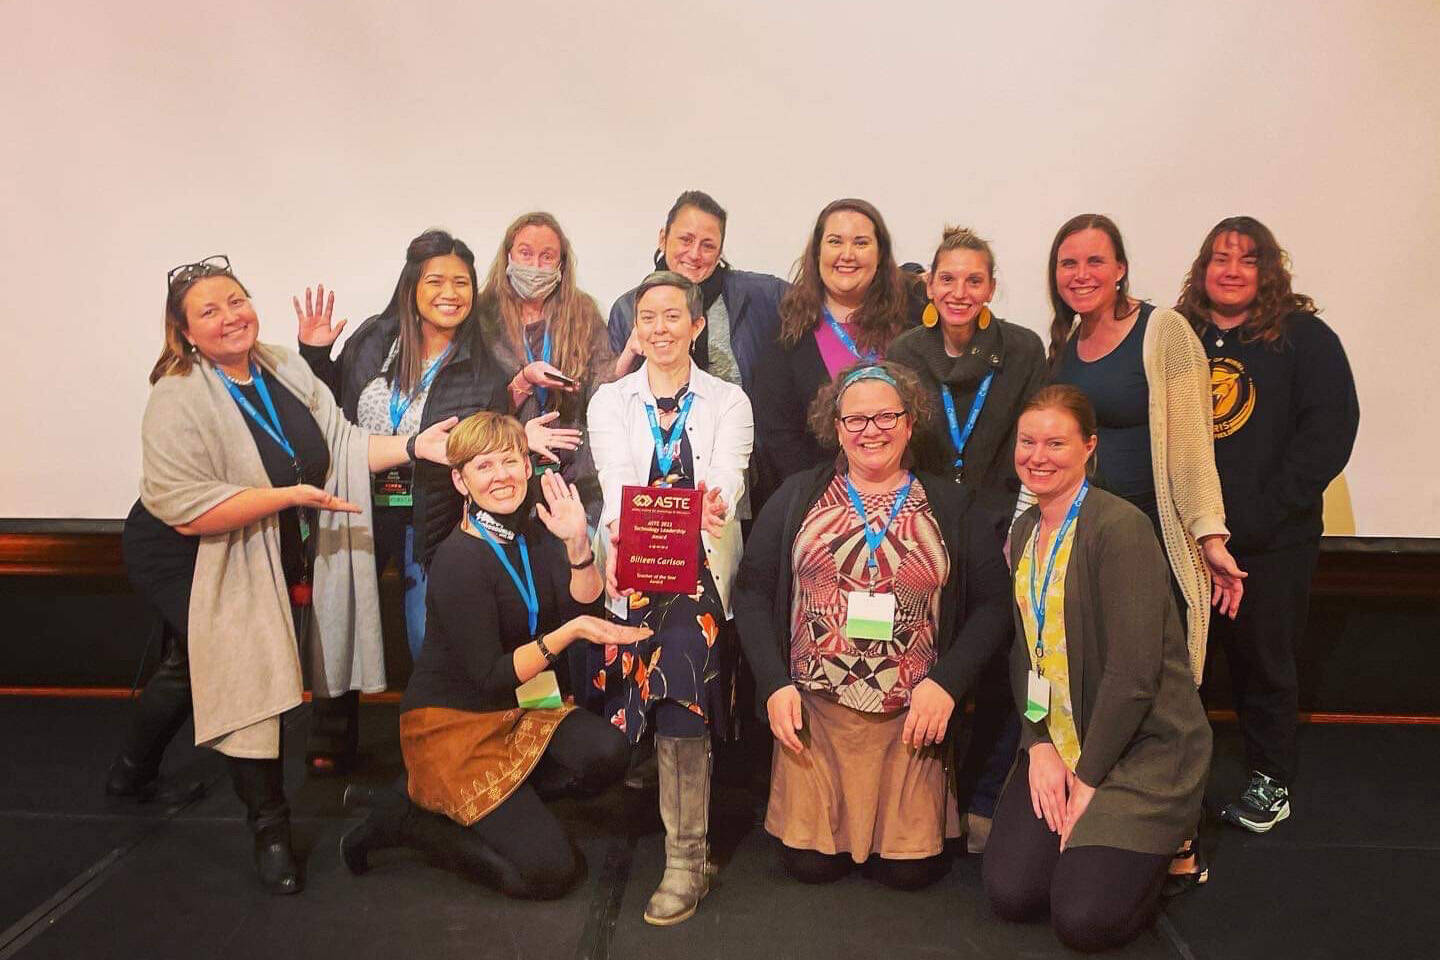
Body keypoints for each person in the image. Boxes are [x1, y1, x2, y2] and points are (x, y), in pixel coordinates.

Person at [112, 255, 456, 894]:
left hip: (262, 535)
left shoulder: (280, 365)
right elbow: (188, 510)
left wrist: (416, 447)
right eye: (208, 311)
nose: (229, 317)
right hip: (187, 547)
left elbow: (345, 443)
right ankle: (269, 828)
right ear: (184, 332)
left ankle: (130, 774)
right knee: (243, 663)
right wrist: (292, 498)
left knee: (191, 665)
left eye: (236, 301)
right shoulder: (177, 393)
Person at [339, 412, 648, 898]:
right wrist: (567, 635)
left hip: (523, 706)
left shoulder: (537, 531)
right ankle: (410, 823)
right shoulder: (458, 559)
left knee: (607, 753)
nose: (501, 475)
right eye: (484, 467)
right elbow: (489, 677)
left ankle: (479, 800)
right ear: (460, 481)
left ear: (528, 467)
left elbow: (580, 603)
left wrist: (577, 546)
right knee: (551, 874)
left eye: (510, 461)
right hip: (453, 723)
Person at [734, 361, 1012, 891]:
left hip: (912, 724)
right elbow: (749, 593)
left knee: (910, 874)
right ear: (836, 428)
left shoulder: (952, 505)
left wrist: (948, 683)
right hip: (814, 720)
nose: (871, 431)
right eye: (855, 420)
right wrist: (772, 684)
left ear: (910, 423)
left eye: (886, 416)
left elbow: (993, 606)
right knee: (811, 868)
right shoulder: (797, 497)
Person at [983, 386, 1213, 952]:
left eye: (1056, 443)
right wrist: (1038, 743)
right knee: (1012, 894)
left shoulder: (1120, 527)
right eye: (1028, 442)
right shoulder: (1023, 530)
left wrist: (1086, 782)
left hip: (1136, 749)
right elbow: (1024, 649)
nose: (1038, 456)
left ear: (1089, 447)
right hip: (1059, 736)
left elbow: (1135, 677)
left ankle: (1175, 845)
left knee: (1084, 921)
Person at [1175, 216, 1358, 834]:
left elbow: (1327, 436)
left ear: (1269, 271)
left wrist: (1257, 518)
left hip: (1274, 543)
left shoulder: (1306, 338)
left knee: (1265, 663)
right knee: (1183, 667)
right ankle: (1176, 782)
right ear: (1202, 269)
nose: (1230, 270)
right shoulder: (1178, 336)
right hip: (1188, 540)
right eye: (1219, 258)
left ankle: (1270, 780)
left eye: (1247, 260)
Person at [587, 271, 754, 925]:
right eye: (647, 317)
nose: (659, 328)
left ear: (696, 325)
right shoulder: (609, 401)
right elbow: (617, 481)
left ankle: (686, 858)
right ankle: (645, 761)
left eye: (671, 316)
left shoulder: (729, 401)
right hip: (631, 566)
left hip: (701, 569)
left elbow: (726, 476)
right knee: (650, 652)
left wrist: (714, 502)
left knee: (683, 656)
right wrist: (629, 535)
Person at [887, 226, 1048, 854]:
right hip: (925, 527)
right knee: (932, 656)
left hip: (1003, 529)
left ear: (991, 287)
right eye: (947, 278)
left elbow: (1036, 445)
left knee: (1001, 659)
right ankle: (932, 795)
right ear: (929, 284)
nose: (960, 291)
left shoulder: (1023, 349)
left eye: (973, 280)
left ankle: (983, 797)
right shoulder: (904, 348)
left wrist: (1024, 530)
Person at [751, 198, 913, 491]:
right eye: (835, 241)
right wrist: (832, 495)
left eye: (861, 243)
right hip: (815, 499)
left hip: (903, 495)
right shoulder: (785, 333)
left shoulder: (908, 326)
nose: (847, 254)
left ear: (880, 254)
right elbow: (778, 435)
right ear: (817, 252)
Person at [474, 212, 614, 520]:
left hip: (577, 476)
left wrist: (629, 356)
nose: (535, 266)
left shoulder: (583, 312)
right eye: (525, 253)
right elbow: (474, 410)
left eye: (547, 256)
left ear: (561, 264)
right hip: (505, 470)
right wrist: (523, 387)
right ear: (508, 255)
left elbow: (604, 390)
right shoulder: (481, 317)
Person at [607, 190, 787, 394]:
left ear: (720, 252)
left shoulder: (761, 296)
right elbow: (604, 398)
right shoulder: (626, 309)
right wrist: (629, 355)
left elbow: (817, 304)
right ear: (663, 239)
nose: (694, 254)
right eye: (686, 239)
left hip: (740, 423)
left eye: (708, 246)